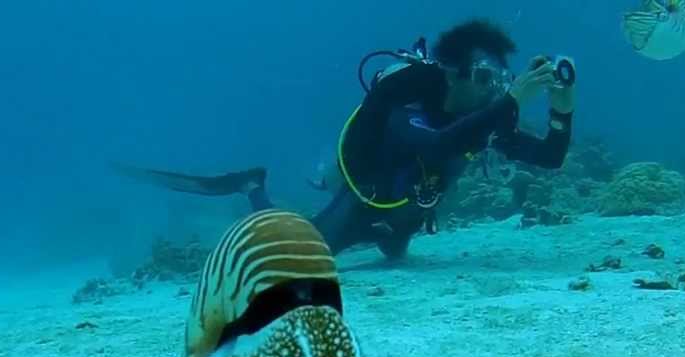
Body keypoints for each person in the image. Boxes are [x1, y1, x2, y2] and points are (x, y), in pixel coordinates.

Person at [115, 19, 575, 259]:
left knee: (394, 250)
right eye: (485, 78)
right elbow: (438, 145)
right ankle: (252, 186)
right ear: (453, 74)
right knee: (298, 251)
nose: (494, 91)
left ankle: (387, 236)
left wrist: (562, 107)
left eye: (501, 81)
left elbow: (551, 156)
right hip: (365, 203)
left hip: (405, 217)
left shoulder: (483, 120)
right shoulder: (407, 104)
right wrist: (511, 101)